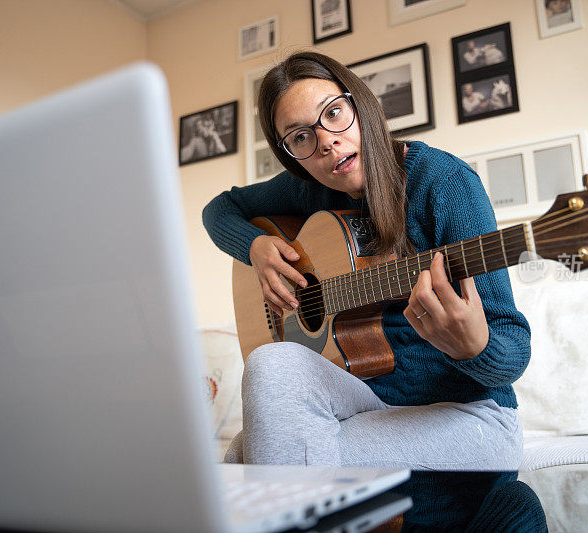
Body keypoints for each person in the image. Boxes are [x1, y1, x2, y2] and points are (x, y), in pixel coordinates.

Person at [202, 51, 530, 470]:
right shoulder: (310, 188)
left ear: (360, 103)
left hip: (471, 413)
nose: (325, 141)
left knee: (247, 455)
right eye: (300, 137)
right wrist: (254, 246)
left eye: (333, 113)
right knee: (270, 364)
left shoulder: (444, 184)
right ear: (290, 154)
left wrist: (474, 347)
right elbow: (219, 209)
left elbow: (514, 351)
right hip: (373, 400)